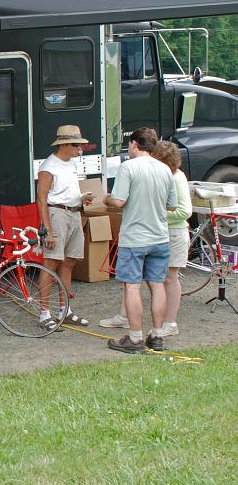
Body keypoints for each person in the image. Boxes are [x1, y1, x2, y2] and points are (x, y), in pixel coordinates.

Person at [99, 140, 191, 338]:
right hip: (159, 235)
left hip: (168, 233)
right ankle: (148, 329)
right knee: (152, 283)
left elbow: (183, 210)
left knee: (158, 280)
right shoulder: (162, 172)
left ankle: (154, 329)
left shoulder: (173, 176)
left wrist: (151, 214)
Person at [35, 125, 93, 329]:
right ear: (65, 144)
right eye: (77, 145)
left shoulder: (71, 164)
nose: (80, 149)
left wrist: (81, 200)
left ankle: (65, 310)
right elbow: (41, 199)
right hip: (57, 213)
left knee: (69, 262)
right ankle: (44, 313)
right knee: (50, 263)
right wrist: (48, 230)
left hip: (74, 212)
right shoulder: (48, 166)